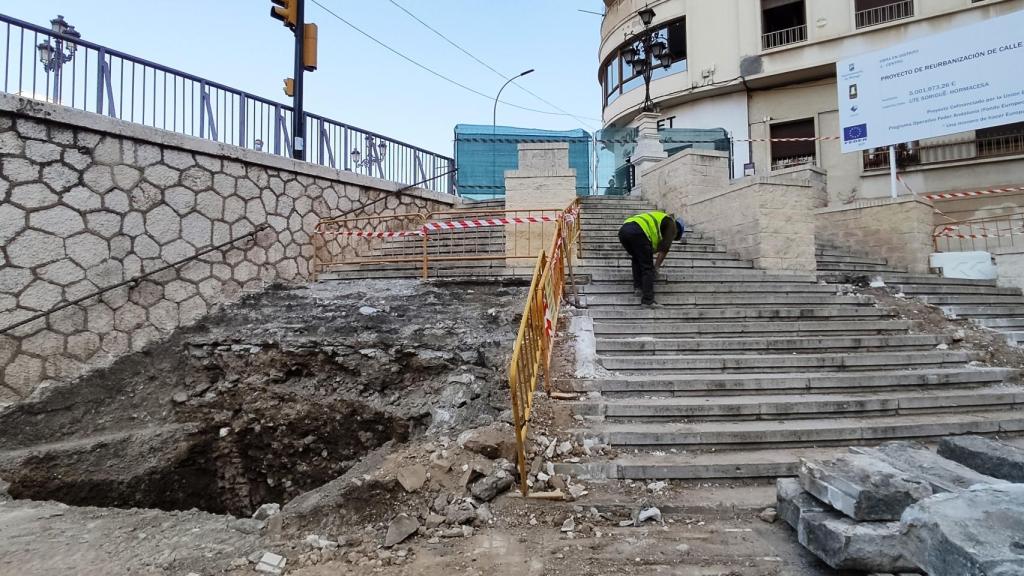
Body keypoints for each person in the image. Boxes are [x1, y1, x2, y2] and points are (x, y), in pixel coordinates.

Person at [618, 210, 684, 308]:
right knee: (648, 268)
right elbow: (664, 249)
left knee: (637, 258)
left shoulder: (661, 219)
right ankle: (648, 301)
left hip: (624, 231)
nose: (672, 238)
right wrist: (656, 268)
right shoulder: (672, 225)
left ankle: (638, 288)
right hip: (638, 232)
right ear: (678, 231)